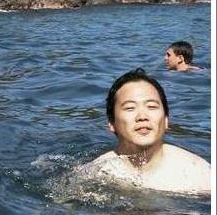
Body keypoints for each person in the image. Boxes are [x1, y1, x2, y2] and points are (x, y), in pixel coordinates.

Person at [75, 69, 210, 194]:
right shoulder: (93, 175)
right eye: (130, 108)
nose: (142, 116)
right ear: (112, 123)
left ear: (166, 120)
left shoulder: (200, 174)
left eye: (151, 106)